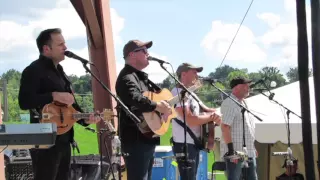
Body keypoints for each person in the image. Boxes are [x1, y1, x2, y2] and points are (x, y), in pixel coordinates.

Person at [18, 28, 101, 180]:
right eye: (60, 44)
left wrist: (85, 119)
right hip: (43, 140)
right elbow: (24, 101)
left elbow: (71, 108)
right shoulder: (33, 70)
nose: (65, 47)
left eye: (65, 43)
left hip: (64, 139)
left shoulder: (60, 71)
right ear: (46, 49)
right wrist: (53, 95)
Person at [115, 39, 172, 180]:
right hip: (135, 139)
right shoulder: (127, 77)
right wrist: (157, 106)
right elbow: (135, 98)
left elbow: (150, 101)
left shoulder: (140, 78)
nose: (148, 54)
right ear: (132, 54)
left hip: (146, 137)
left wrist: (163, 109)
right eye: (144, 51)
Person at [170, 63, 222, 180]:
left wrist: (222, 112)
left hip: (193, 143)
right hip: (184, 144)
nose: (197, 76)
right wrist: (213, 117)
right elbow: (191, 120)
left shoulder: (190, 93)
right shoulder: (177, 93)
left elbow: (207, 110)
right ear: (183, 74)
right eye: (194, 72)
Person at [220, 77, 258, 180]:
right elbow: (225, 126)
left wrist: (252, 147)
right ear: (236, 88)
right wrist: (231, 151)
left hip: (248, 151)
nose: (248, 88)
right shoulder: (230, 103)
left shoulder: (244, 103)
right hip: (235, 153)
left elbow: (247, 127)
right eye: (246, 85)